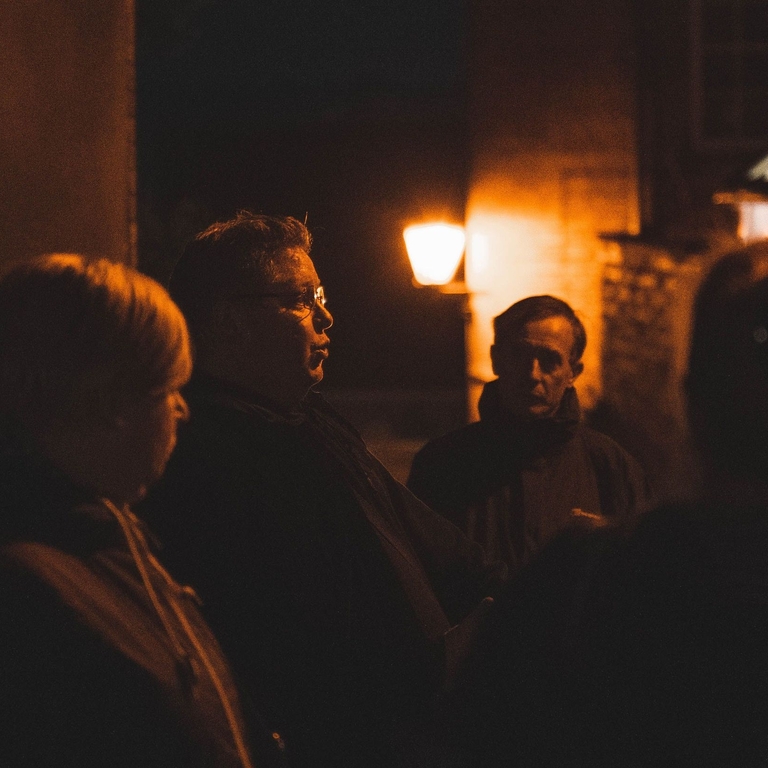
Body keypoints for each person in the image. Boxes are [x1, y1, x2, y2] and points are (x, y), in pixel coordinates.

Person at [140, 212, 505, 768]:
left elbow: (425, 538)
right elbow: (288, 649)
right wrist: (431, 667)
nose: (326, 317)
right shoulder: (204, 460)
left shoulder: (312, 421)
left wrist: (512, 595)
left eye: (321, 295)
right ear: (229, 320)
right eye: (301, 299)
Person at [446, 244, 768, 767]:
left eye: (549, 360)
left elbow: (476, 736)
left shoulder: (590, 572)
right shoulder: (451, 469)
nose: (532, 375)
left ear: (692, 398)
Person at [0, 254, 275, 768]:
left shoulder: (107, 546)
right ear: (110, 403)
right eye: (168, 390)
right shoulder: (30, 590)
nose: (182, 410)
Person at [407, 295, 649, 575]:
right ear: (497, 359)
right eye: (519, 355)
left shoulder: (612, 468)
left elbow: (641, 578)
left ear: (573, 372)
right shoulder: (442, 465)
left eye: (549, 360)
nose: (532, 373)